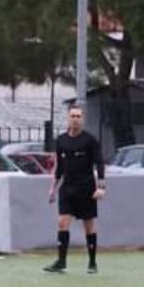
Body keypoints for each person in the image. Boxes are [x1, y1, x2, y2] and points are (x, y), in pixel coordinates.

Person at [44, 105, 105, 274]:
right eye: (72, 116)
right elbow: (59, 167)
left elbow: (100, 163)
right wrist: (53, 188)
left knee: (89, 225)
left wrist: (101, 186)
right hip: (67, 188)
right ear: (68, 118)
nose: (75, 119)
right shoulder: (61, 140)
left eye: (78, 116)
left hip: (86, 188)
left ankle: (92, 262)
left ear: (82, 119)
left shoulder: (90, 140)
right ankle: (61, 261)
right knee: (62, 222)